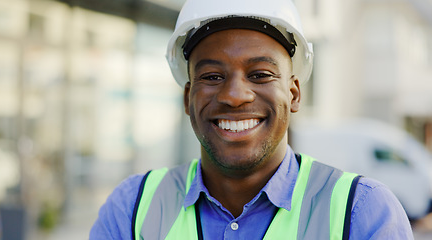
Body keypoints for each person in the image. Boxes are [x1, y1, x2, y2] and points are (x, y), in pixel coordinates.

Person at [90, 0, 414, 239]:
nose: (235, 95)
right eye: (213, 76)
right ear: (187, 98)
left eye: (260, 74)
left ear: (295, 94)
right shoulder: (132, 209)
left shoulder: (362, 212)